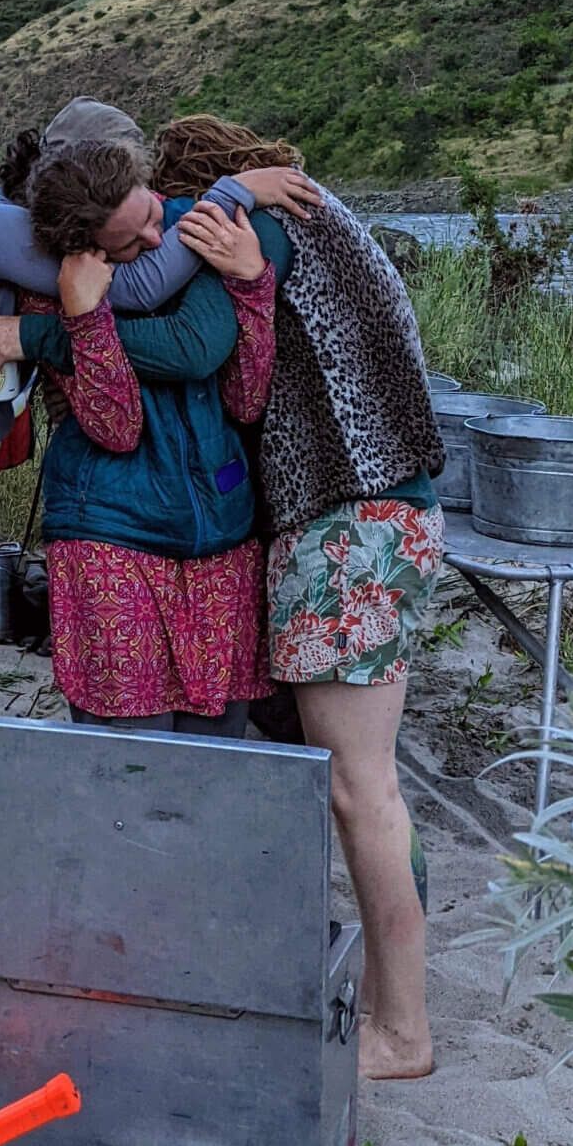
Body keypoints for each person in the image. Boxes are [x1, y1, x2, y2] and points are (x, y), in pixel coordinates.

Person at [0, 97, 320, 978]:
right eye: (136, 217)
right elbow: (134, 289)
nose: (147, 232)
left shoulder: (31, 241)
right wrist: (233, 192)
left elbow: (131, 301)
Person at [156, 115, 445, 1083]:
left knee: (360, 789)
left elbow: (224, 366)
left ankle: (402, 1031)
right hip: (390, 514)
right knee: (372, 785)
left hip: (345, 524)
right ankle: (396, 1000)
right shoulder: (324, 218)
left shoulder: (257, 232)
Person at [0, 146, 291, 735]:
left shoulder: (195, 234)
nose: (156, 239)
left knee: (217, 760)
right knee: (130, 766)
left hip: (221, 541)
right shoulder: (57, 290)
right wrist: (84, 317)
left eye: (150, 211)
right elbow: (115, 427)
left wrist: (251, 284)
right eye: (132, 242)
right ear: (86, 248)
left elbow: (246, 400)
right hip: (112, 542)